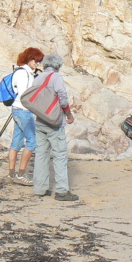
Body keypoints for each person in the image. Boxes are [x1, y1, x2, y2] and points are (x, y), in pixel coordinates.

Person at [30, 53, 78, 202]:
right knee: (60, 155)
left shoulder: (38, 78)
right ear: (58, 66)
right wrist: (68, 114)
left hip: (40, 120)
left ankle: (40, 188)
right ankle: (62, 191)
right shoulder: (56, 78)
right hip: (54, 121)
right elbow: (62, 98)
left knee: (41, 154)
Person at [8, 47, 44, 186]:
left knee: (16, 141)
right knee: (32, 141)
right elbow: (25, 95)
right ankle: (21, 174)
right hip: (24, 110)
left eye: (39, 61)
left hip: (17, 109)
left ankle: (11, 174)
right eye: (36, 60)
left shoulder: (19, 71)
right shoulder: (24, 73)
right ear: (29, 59)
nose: (38, 63)